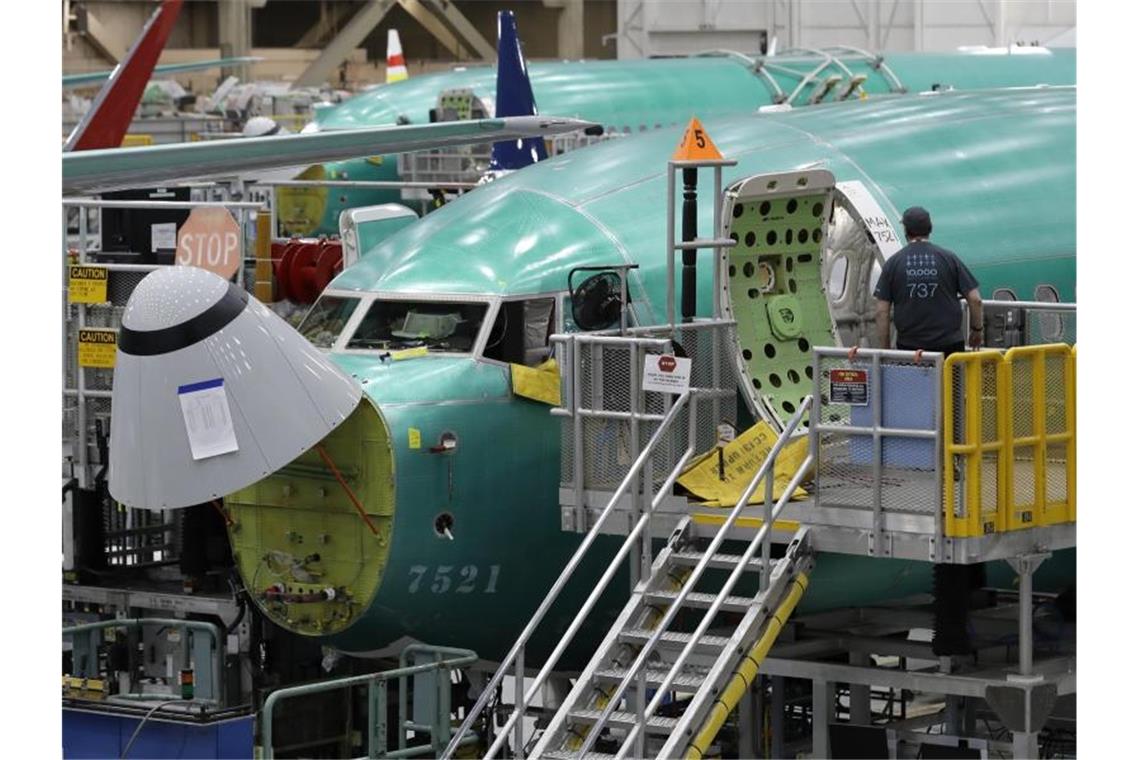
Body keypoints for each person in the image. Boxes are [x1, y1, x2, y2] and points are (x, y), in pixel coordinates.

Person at [872, 206, 984, 355]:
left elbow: (881, 311)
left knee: (912, 380)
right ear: (930, 228)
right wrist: (977, 330)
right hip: (950, 349)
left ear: (906, 231)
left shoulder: (893, 263)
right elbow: (975, 299)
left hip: (911, 351)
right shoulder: (949, 258)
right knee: (951, 379)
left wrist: (885, 351)